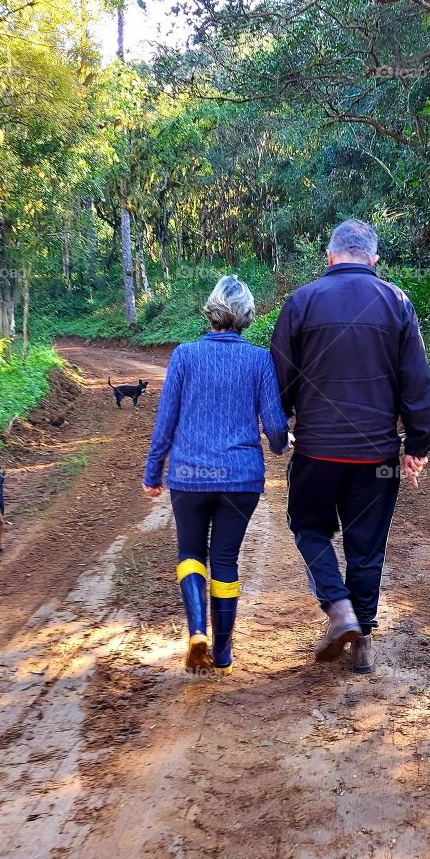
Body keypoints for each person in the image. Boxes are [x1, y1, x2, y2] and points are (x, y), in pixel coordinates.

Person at [271, 219, 430, 673]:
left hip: (317, 452)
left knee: (309, 528)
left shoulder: (301, 302)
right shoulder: (397, 302)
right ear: (374, 259)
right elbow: (416, 381)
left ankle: (339, 608)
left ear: (329, 256)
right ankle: (361, 638)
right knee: (367, 546)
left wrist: (278, 425)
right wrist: (418, 442)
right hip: (376, 456)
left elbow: (280, 376)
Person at [143, 275, 289, 675]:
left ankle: (196, 632)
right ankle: (222, 654)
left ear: (211, 310)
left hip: (189, 476)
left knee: (191, 552)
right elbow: (275, 426)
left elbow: (165, 421)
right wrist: (281, 443)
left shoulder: (184, 355)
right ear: (247, 314)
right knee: (225, 559)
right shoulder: (259, 359)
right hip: (240, 480)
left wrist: (153, 471)